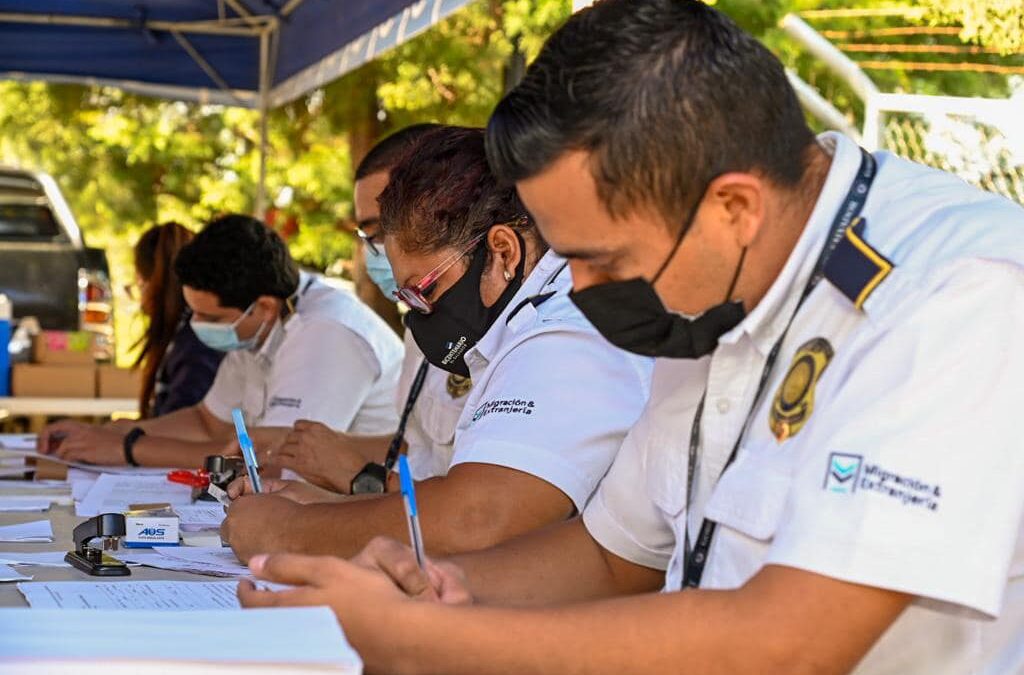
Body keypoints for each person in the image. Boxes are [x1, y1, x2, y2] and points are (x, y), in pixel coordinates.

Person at [237, 2, 1024, 674]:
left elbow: (794, 640)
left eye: (597, 258)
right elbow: (612, 556)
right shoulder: (714, 284)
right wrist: (437, 584)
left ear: (733, 209)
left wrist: (432, 636)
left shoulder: (958, 295)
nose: (577, 290)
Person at [222, 126, 654, 562]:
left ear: (502, 251)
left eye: (423, 291)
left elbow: (479, 518)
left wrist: (291, 530)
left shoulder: (564, 333)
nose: (419, 313)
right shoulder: (518, 324)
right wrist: (323, 508)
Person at [40, 214, 403, 468]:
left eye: (211, 318)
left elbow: (270, 457)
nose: (197, 326)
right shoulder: (257, 327)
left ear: (263, 306)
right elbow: (207, 422)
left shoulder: (327, 333)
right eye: (192, 312)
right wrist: (103, 435)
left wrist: (130, 447)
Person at [266, 123, 466, 493]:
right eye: (369, 234)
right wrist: (315, 452)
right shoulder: (423, 323)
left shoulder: (520, 330)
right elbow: (419, 448)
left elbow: (477, 509)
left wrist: (358, 479)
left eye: (389, 228)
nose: (382, 249)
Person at [130, 222, 223, 418]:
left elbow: (185, 426)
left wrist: (130, 438)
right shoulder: (185, 339)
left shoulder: (195, 344)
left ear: (147, 282)